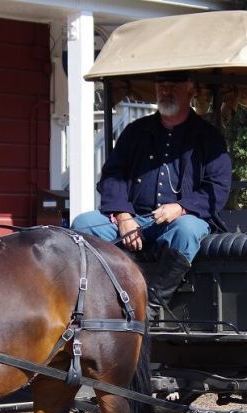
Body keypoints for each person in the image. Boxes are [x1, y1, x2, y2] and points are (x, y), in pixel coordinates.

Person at [70, 71, 232, 319]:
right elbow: (112, 175)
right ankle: (100, 299)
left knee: (188, 230)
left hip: (179, 223)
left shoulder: (207, 137)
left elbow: (217, 187)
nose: (165, 90)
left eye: (173, 85)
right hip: (135, 221)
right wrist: (123, 216)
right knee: (83, 225)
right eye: (161, 85)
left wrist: (180, 207)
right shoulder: (136, 132)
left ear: (191, 89)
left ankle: (153, 305)